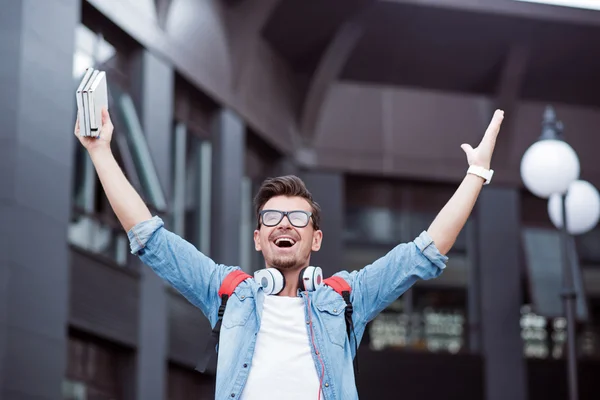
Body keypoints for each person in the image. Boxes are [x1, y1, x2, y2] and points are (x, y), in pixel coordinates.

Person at [73, 108, 504, 400]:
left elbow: (424, 252)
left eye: (298, 219)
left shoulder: (344, 299)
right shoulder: (230, 293)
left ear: (316, 239)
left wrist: (476, 174)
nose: (284, 224)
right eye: (273, 217)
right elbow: (149, 237)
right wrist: (99, 150)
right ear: (258, 238)